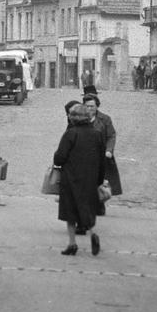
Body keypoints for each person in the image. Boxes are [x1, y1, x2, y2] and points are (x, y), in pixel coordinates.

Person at [53, 103, 106, 256]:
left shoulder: (71, 133)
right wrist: (99, 180)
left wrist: (58, 163)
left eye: (71, 115)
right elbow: (102, 160)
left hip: (71, 178)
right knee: (87, 208)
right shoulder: (97, 134)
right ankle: (93, 233)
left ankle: (72, 243)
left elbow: (60, 156)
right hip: (90, 178)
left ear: (75, 117)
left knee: (70, 211)